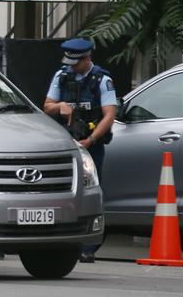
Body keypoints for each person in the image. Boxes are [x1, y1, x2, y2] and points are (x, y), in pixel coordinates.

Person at [43, 37, 116, 263]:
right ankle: (59, 240)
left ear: (87, 58)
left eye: (76, 63)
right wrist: (59, 106)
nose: (71, 67)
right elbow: (46, 107)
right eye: (69, 62)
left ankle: (88, 246)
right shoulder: (62, 75)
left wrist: (91, 140)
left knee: (90, 191)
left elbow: (110, 115)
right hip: (65, 144)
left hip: (90, 145)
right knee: (59, 191)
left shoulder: (101, 80)